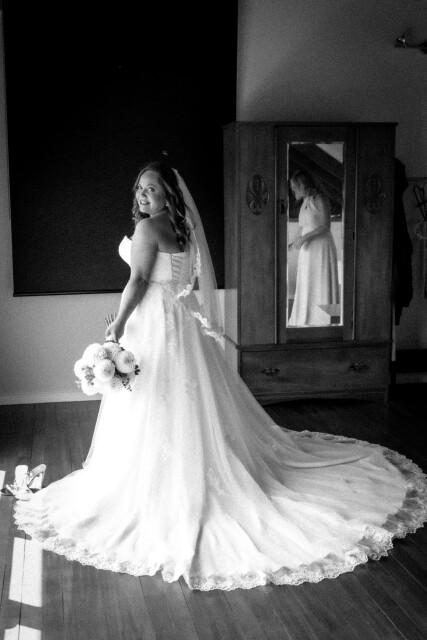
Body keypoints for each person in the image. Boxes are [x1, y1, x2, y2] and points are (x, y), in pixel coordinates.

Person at [14, 161, 427, 591]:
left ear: (167, 194)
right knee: (181, 395)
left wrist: (116, 325)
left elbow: (137, 281)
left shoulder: (147, 228)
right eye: (139, 188)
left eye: (151, 189)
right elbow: (182, 280)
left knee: (154, 397)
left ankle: (161, 483)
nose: (142, 195)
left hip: (153, 320)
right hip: (180, 320)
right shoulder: (182, 227)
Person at [288, 170, 340, 326]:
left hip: (322, 249)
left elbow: (325, 226)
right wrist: (293, 241)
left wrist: (305, 238)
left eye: (295, 188)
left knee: (323, 284)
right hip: (308, 252)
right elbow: (303, 226)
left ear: (302, 185)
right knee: (308, 284)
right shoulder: (305, 201)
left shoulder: (320, 198)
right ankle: (307, 319)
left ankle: (328, 321)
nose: (293, 191)